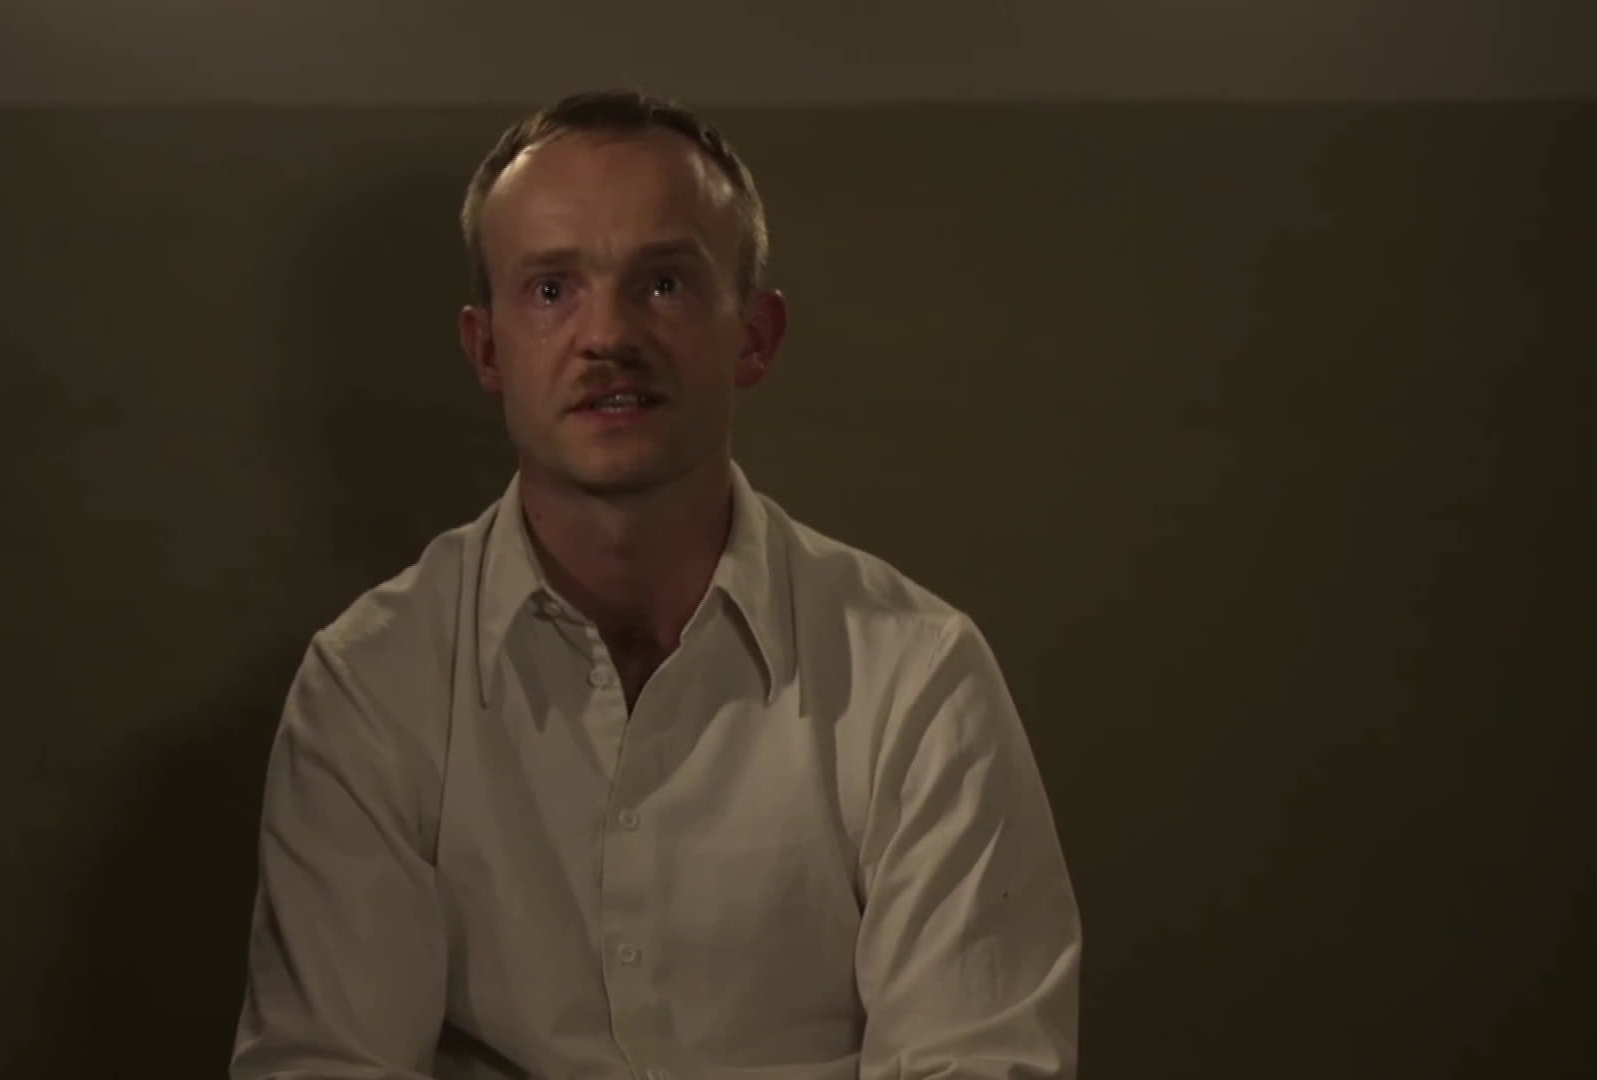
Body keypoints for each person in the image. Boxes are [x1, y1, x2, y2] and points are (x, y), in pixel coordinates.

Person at [230, 88, 1081, 1080]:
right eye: (552, 288)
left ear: (755, 335)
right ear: (486, 348)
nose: (608, 335)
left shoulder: (916, 677)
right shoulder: (370, 685)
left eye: (665, 283)